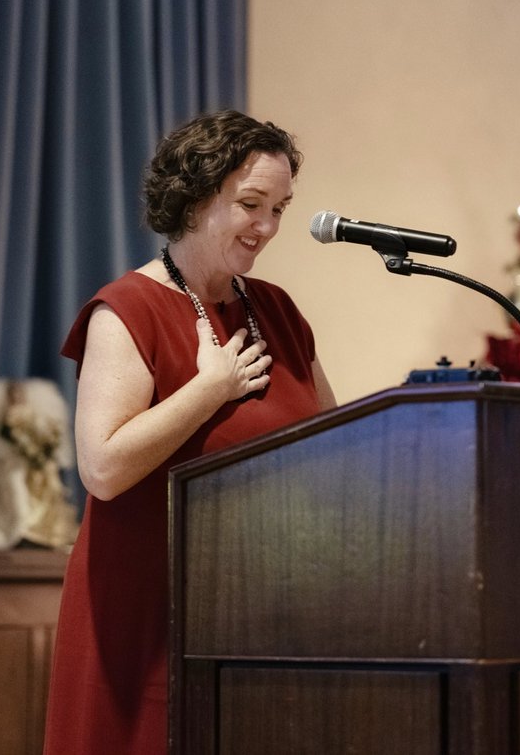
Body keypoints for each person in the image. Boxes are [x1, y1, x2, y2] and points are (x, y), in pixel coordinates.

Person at [42, 110, 336, 755]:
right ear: (195, 197)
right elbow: (103, 469)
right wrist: (210, 389)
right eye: (250, 204)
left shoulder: (278, 311)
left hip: (260, 617)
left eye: (279, 209)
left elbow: (333, 448)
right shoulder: (126, 309)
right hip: (149, 620)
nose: (267, 227)